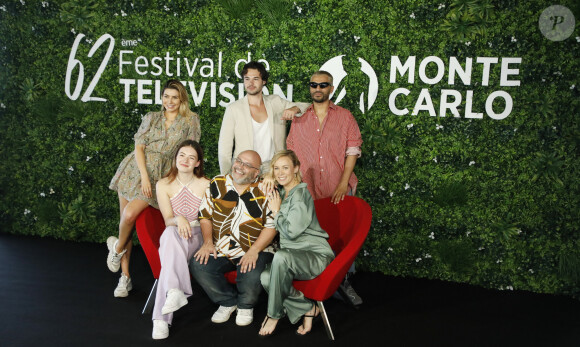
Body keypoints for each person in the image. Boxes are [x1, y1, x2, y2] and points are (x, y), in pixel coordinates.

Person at [107, 79, 201, 298]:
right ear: (162, 98)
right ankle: (125, 278)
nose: (170, 101)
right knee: (125, 222)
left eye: (175, 97)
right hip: (135, 170)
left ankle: (116, 248)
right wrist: (144, 177)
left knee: (130, 215)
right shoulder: (151, 117)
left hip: (162, 174)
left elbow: (191, 150)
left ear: (182, 99)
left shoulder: (191, 120)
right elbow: (139, 147)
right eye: (166, 96)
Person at [286, 70, 364, 306]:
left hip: (337, 188)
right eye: (313, 85)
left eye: (323, 85)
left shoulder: (345, 116)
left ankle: (344, 282)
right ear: (310, 88)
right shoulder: (299, 117)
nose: (317, 89)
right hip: (308, 190)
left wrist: (342, 182)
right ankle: (314, 284)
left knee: (343, 238)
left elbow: (353, 150)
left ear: (331, 88)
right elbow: (291, 153)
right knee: (312, 239)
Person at [189, 150, 275, 327]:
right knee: (199, 264)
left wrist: (253, 250)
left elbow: (272, 226)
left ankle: (246, 306)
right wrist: (207, 242)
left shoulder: (265, 190)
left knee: (251, 273)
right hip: (222, 247)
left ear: (256, 173)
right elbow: (205, 216)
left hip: (257, 247)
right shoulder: (217, 183)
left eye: (247, 165)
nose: (240, 167)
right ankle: (228, 301)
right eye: (239, 161)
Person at [258, 150, 334, 337]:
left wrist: (276, 212)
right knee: (266, 277)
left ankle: (274, 314)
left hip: (315, 256)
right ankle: (308, 308)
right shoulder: (283, 191)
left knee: (281, 258)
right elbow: (257, 179)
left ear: (296, 169)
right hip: (294, 256)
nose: (280, 173)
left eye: (285, 168)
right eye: (276, 168)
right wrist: (267, 177)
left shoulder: (300, 195)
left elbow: (291, 232)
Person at [151, 140, 210, 340]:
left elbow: (207, 220)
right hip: (175, 233)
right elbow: (168, 220)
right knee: (169, 234)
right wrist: (179, 219)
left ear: (197, 163)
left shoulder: (206, 184)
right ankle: (175, 292)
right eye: (182, 155)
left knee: (168, 263)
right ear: (175, 158)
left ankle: (161, 319)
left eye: (191, 157)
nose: (185, 160)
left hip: (198, 236)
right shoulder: (163, 184)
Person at [218, 61, 309, 174]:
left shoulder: (276, 102)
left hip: (273, 170)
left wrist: (295, 109)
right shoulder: (233, 109)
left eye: (255, 79)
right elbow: (224, 147)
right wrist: (225, 176)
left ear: (263, 81)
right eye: (247, 79)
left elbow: (307, 106)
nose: (250, 83)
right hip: (244, 170)